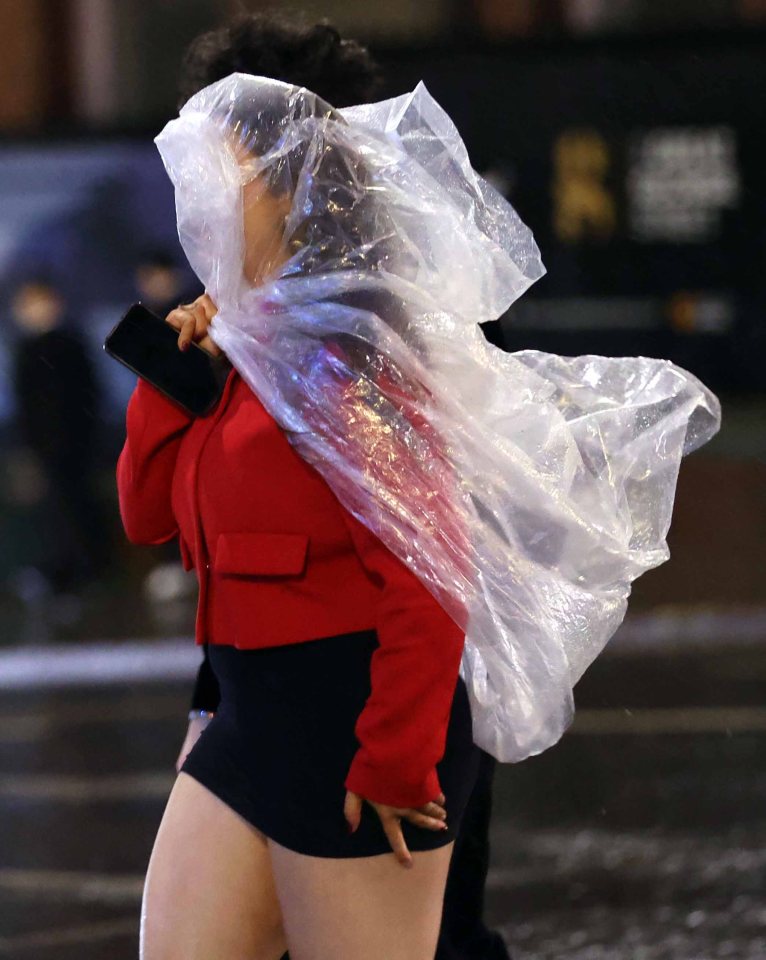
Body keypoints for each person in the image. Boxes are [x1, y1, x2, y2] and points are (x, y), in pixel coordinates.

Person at [118, 14, 507, 960]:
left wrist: (396, 753)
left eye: (220, 167)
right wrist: (179, 374)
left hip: (356, 716)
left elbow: (433, 565)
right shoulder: (245, 337)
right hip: (247, 710)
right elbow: (145, 515)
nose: (195, 195)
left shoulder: (351, 346)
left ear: (285, 178)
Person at [11, 278, 109, 596]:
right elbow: (24, 404)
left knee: (79, 504)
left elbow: (89, 392)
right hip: (44, 447)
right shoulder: (25, 350)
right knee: (52, 511)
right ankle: (60, 572)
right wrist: (27, 447)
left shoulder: (71, 343)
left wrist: (86, 434)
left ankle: (89, 570)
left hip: (76, 442)